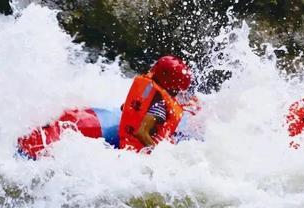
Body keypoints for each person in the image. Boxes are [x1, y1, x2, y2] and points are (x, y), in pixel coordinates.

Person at [18, 55, 195, 159]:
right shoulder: (160, 106)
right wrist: (160, 155)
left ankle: (27, 141)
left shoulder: (148, 90)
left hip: (92, 119)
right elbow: (142, 132)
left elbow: (125, 108)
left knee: (58, 129)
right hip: (100, 130)